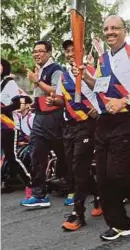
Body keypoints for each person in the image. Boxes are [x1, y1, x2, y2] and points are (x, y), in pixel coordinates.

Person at [73, 15, 130, 240]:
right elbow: (101, 87)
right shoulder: (103, 58)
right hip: (104, 120)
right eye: (106, 29)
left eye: (115, 28)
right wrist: (84, 77)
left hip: (125, 118)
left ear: (124, 30)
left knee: (118, 174)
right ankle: (120, 224)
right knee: (102, 177)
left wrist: (124, 101)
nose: (110, 32)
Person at [46, 39, 102, 231]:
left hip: (87, 125)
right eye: (67, 51)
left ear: (82, 51)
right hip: (68, 127)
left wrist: (97, 108)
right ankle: (99, 196)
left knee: (79, 167)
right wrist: (55, 101)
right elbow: (63, 100)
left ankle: (78, 213)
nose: (70, 54)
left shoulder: (92, 71)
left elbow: (103, 92)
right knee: (77, 168)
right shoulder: (64, 76)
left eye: (74, 50)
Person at [20, 41, 66, 208]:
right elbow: (41, 94)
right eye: (35, 51)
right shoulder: (39, 70)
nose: (37, 54)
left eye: (41, 51)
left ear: (49, 53)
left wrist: (37, 80)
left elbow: (56, 91)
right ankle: (39, 194)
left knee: (63, 154)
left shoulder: (56, 69)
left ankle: (73, 190)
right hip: (39, 117)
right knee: (36, 154)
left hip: (54, 117)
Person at [1, 58, 32, 196]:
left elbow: (17, 104)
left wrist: (2, 110)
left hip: (8, 125)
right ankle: (6, 180)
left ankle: (30, 183)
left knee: (11, 157)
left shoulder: (9, 83)